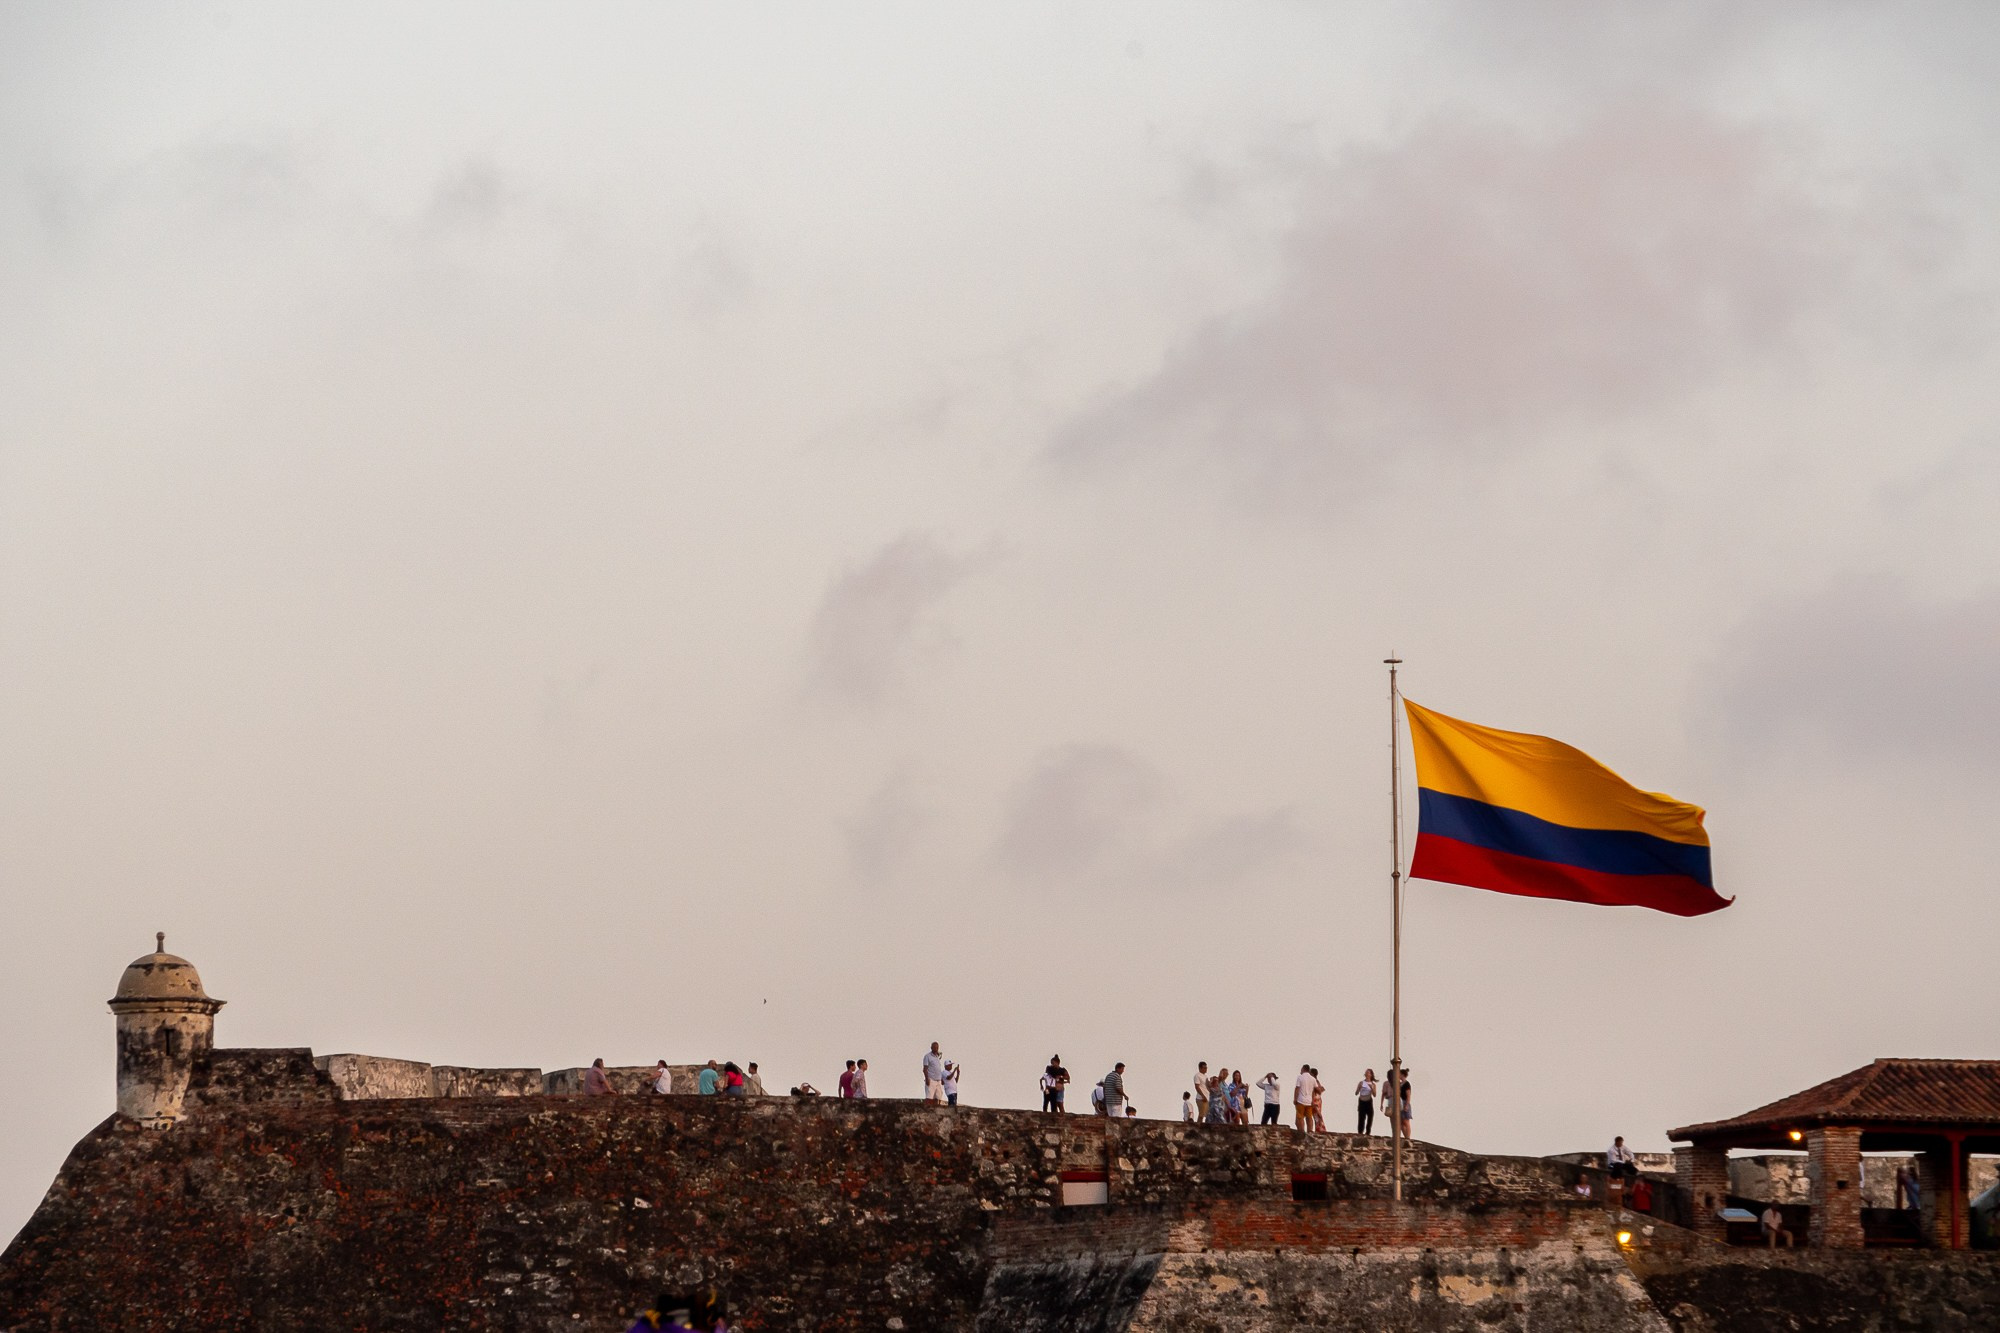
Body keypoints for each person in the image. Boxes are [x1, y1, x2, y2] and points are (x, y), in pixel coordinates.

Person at [1293, 1065, 1318, 1131]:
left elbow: (1297, 1088)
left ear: (1303, 1069)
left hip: (1301, 1100)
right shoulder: (1313, 1079)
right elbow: (1314, 1090)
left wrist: (1295, 1098)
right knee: (1309, 1117)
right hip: (1309, 1101)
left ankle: (1301, 1130)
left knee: (1300, 1117)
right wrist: (1312, 1100)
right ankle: (1310, 1130)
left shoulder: (1300, 1077)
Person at [1355, 1070, 1376, 1135]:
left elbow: (1375, 1095)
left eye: (1368, 1072)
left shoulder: (1373, 1084)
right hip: (1362, 1101)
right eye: (1366, 1072)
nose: (1367, 1073)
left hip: (1369, 1101)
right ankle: (1360, 1132)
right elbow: (1356, 1093)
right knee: (1361, 1117)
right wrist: (1359, 1088)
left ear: (1371, 1075)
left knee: (1370, 1116)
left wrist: (1372, 1088)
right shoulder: (1361, 1082)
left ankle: (1368, 1132)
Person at [1309, 1068, 1326, 1132]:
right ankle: (1319, 1129)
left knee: (1317, 1115)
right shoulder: (1316, 1081)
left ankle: (1320, 1129)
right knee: (1316, 1115)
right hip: (1317, 1099)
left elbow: (1319, 1090)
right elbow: (1321, 1089)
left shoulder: (1314, 1081)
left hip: (1315, 1099)